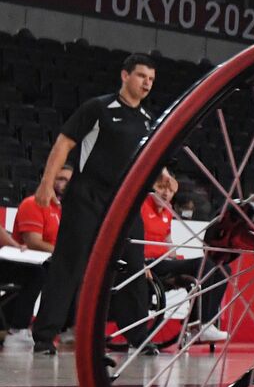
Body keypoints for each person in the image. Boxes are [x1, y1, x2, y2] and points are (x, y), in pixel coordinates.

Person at [29, 54, 157, 356]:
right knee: (68, 264)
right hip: (87, 196)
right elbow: (64, 143)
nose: (146, 83)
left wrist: (165, 177)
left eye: (151, 79)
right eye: (141, 76)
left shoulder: (149, 121)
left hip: (125, 202)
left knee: (134, 268)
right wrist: (46, 183)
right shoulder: (98, 108)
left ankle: (137, 336)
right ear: (125, 76)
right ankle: (45, 337)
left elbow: (149, 161)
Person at [140, 169, 229, 343]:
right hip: (148, 263)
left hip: (165, 261)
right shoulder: (142, 205)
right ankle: (198, 325)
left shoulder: (167, 211)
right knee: (204, 265)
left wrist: (176, 256)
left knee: (222, 267)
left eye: (170, 191)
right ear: (153, 188)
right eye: (161, 188)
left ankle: (203, 324)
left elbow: (167, 241)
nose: (166, 193)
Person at [0, 166, 73, 347]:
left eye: (68, 181)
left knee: (77, 270)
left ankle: (69, 327)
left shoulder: (64, 210)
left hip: (42, 260)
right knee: (40, 273)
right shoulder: (33, 203)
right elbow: (33, 242)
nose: (64, 185)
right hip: (29, 260)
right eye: (60, 179)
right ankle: (18, 328)